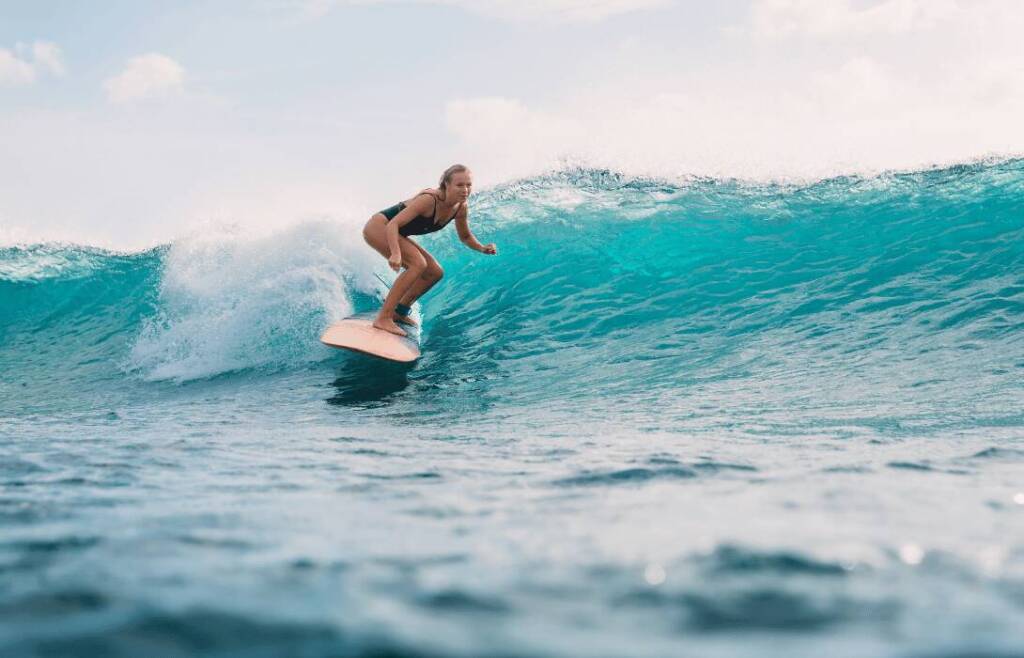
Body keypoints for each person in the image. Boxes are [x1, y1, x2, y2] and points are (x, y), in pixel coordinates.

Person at [362, 164, 497, 336]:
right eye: (459, 185)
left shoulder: (460, 207)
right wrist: (396, 253)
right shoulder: (429, 200)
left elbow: (465, 237)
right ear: (446, 184)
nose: (465, 189)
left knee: (434, 272)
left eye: (468, 185)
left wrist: (482, 248)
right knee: (417, 264)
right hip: (379, 227)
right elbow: (393, 224)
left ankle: (399, 311)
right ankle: (383, 318)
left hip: (396, 232)